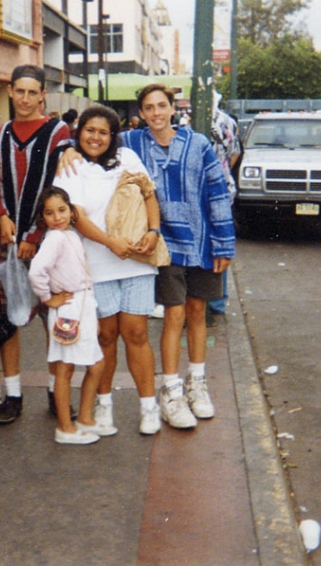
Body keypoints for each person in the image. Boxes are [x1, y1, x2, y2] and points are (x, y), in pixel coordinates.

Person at [123, 84, 235, 429]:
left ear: (173, 108)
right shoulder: (130, 143)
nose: (156, 113)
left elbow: (217, 192)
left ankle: (196, 383)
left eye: (161, 106)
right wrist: (68, 150)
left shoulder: (198, 144)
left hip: (200, 242)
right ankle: (170, 390)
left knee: (198, 311)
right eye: (148, 108)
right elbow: (89, 143)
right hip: (162, 245)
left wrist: (224, 243)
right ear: (140, 114)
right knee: (174, 315)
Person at [54, 106, 162, 435]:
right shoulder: (70, 167)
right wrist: (109, 242)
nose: (95, 138)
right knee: (105, 337)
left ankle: (149, 407)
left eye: (103, 132)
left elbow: (149, 195)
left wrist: (153, 232)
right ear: (79, 132)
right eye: (89, 131)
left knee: (137, 333)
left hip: (135, 261)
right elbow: (78, 216)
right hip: (95, 265)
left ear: (112, 136)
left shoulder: (128, 158)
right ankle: (103, 405)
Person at [0, 64, 71, 424]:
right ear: (10, 92)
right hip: (6, 241)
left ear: (42, 95)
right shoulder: (3, 132)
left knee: (53, 319)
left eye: (31, 92)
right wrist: (2, 217)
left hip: (48, 245)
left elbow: (58, 188)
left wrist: (35, 237)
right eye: (18, 91)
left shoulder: (57, 132)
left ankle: (57, 392)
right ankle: (14, 394)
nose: (24, 98)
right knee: (8, 321)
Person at [27, 187, 109, 445]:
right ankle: (65, 427)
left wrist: (91, 313)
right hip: (68, 309)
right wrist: (47, 298)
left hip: (82, 306)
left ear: (71, 211)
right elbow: (36, 271)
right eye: (49, 213)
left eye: (62, 210)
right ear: (43, 217)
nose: (57, 216)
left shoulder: (70, 235)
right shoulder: (54, 239)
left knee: (95, 364)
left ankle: (84, 418)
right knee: (65, 368)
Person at [207, 102, 241, 321]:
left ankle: (211, 301)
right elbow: (235, 153)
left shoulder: (185, 119)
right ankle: (218, 301)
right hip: (223, 185)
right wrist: (223, 167)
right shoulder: (228, 120)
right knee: (220, 240)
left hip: (204, 188)